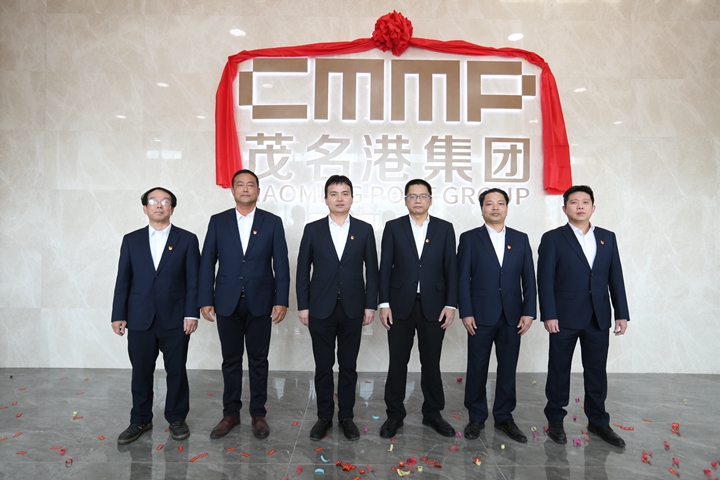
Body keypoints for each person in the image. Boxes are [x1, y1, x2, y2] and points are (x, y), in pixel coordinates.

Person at [198, 169, 290, 440]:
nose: (246, 189)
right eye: (240, 184)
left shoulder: (272, 222)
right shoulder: (218, 221)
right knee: (231, 360)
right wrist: (205, 299)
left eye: (251, 185)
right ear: (233, 190)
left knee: (259, 360)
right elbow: (207, 262)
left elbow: (281, 264)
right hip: (226, 301)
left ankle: (258, 414)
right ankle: (230, 414)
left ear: (258, 191)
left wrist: (281, 300)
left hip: (261, 301)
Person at [538, 185, 629, 448]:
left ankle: (598, 421)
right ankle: (555, 419)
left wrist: (621, 313)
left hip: (598, 317)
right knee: (559, 369)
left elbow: (615, 277)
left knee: (597, 371)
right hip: (563, 317)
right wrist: (549, 314)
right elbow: (545, 280)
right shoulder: (553, 238)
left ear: (593, 207)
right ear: (564, 208)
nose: (580, 206)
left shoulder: (607, 237)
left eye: (585, 201)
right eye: (574, 202)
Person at [111, 187, 200, 445]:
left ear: (172, 208)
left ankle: (177, 418)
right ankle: (140, 419)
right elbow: (123, 279)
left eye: (165, 201)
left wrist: (191, 313)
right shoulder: (131, 240)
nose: (159, 205)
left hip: (176, 318)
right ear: (145, 208)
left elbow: (193, 280)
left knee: (176, 371)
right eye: (153, 201)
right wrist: (118, 314)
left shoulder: (187, 239)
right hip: (139, 317)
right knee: (141, 371)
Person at [296, 175, 378, 441]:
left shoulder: (364, 230)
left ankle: (346, 417)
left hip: (354, 308)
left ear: (352, 197)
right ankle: (323, 417)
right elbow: (302, 271)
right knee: (323, 365)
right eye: (334, 193)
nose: (339, 198)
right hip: (320, 308)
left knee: (348, 365)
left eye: (344, 193)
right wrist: (303, 306)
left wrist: (370, 305)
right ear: (325, 199)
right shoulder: (313, 229)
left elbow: (372, 271)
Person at [377, 179, 458, 438]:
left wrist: (450, 304)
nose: (418, 200)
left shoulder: (445, 228)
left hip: (435, 305)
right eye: (412, 196)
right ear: (405, 201)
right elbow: (385, 267)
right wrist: (384, 303)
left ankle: (433, 413)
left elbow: (451, 268)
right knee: (397, 361)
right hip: (399, 305)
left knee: (431, 362)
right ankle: (394, 415)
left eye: (423, 196)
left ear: (430, 200)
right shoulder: (394, 227)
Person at [457, 188, 536, 443]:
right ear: (482, 209)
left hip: (513, 316)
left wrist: (529, 311)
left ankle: (504, 417)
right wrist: (466, 311)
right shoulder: (470, 238)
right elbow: (462, 279)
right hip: (479, 315)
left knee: (508, 368)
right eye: (489, 203)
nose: (495, 208)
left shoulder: (521, 239)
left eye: (500, 203)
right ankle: (476, 416)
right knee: (477, 366)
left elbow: (529, 278)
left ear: (507, 208)